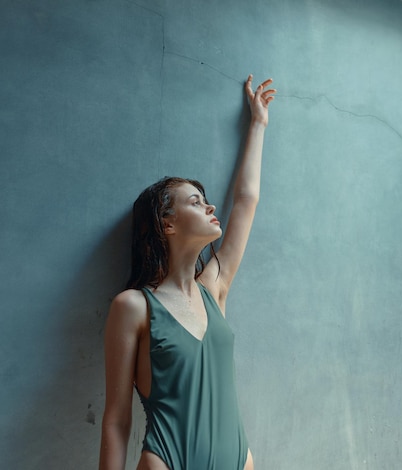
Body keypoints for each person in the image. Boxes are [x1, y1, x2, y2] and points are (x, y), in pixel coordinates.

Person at [99, 74, 275, 470]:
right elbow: (115, 420)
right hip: (169, 462)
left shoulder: (214, 288)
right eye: (197, 202)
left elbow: (246, 201)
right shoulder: (133, 307)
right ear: (167, 225)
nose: (212, 208)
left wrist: (259, 124)